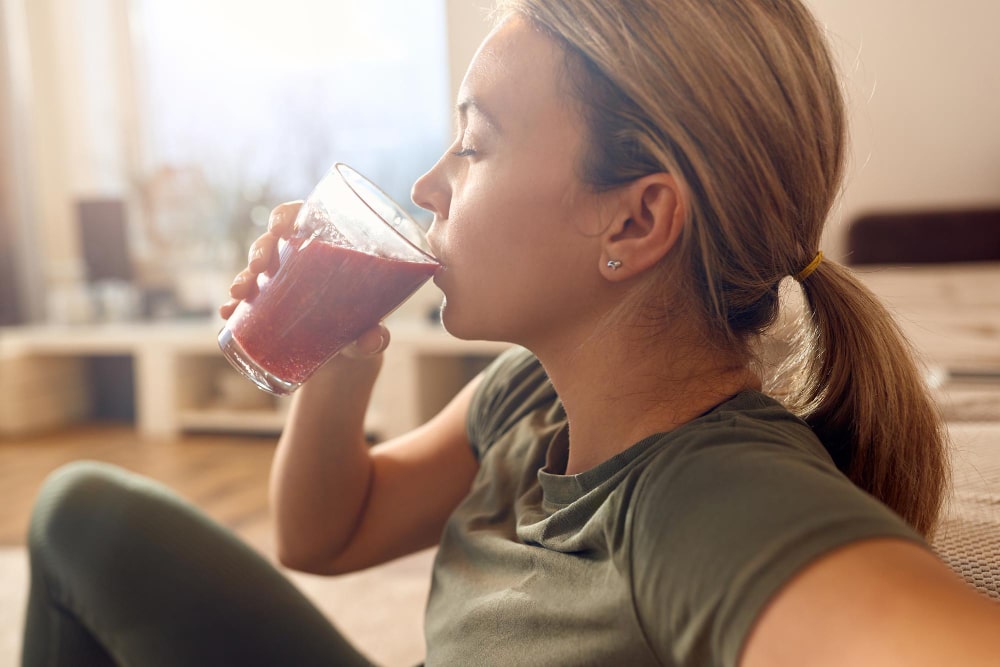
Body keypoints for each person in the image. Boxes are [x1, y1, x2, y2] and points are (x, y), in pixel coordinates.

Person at [22, 0, 1000, 665]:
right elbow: (325, 534)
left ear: (633, 222)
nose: (427, 184)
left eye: (475, 141)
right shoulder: (531, 396)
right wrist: (338, 347)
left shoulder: (710, 498)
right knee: (83, 513)